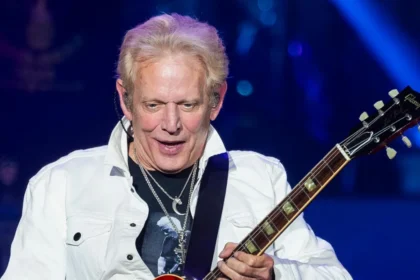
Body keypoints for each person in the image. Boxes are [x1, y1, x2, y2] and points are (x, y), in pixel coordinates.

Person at [1, 13, 352, 280]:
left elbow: (334, 275)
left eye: (188, 105)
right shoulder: (61, 183)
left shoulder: (260, 178)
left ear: (216, 101)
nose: (171, 125)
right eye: (153, 105)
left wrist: (275, 275)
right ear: (126, 100)